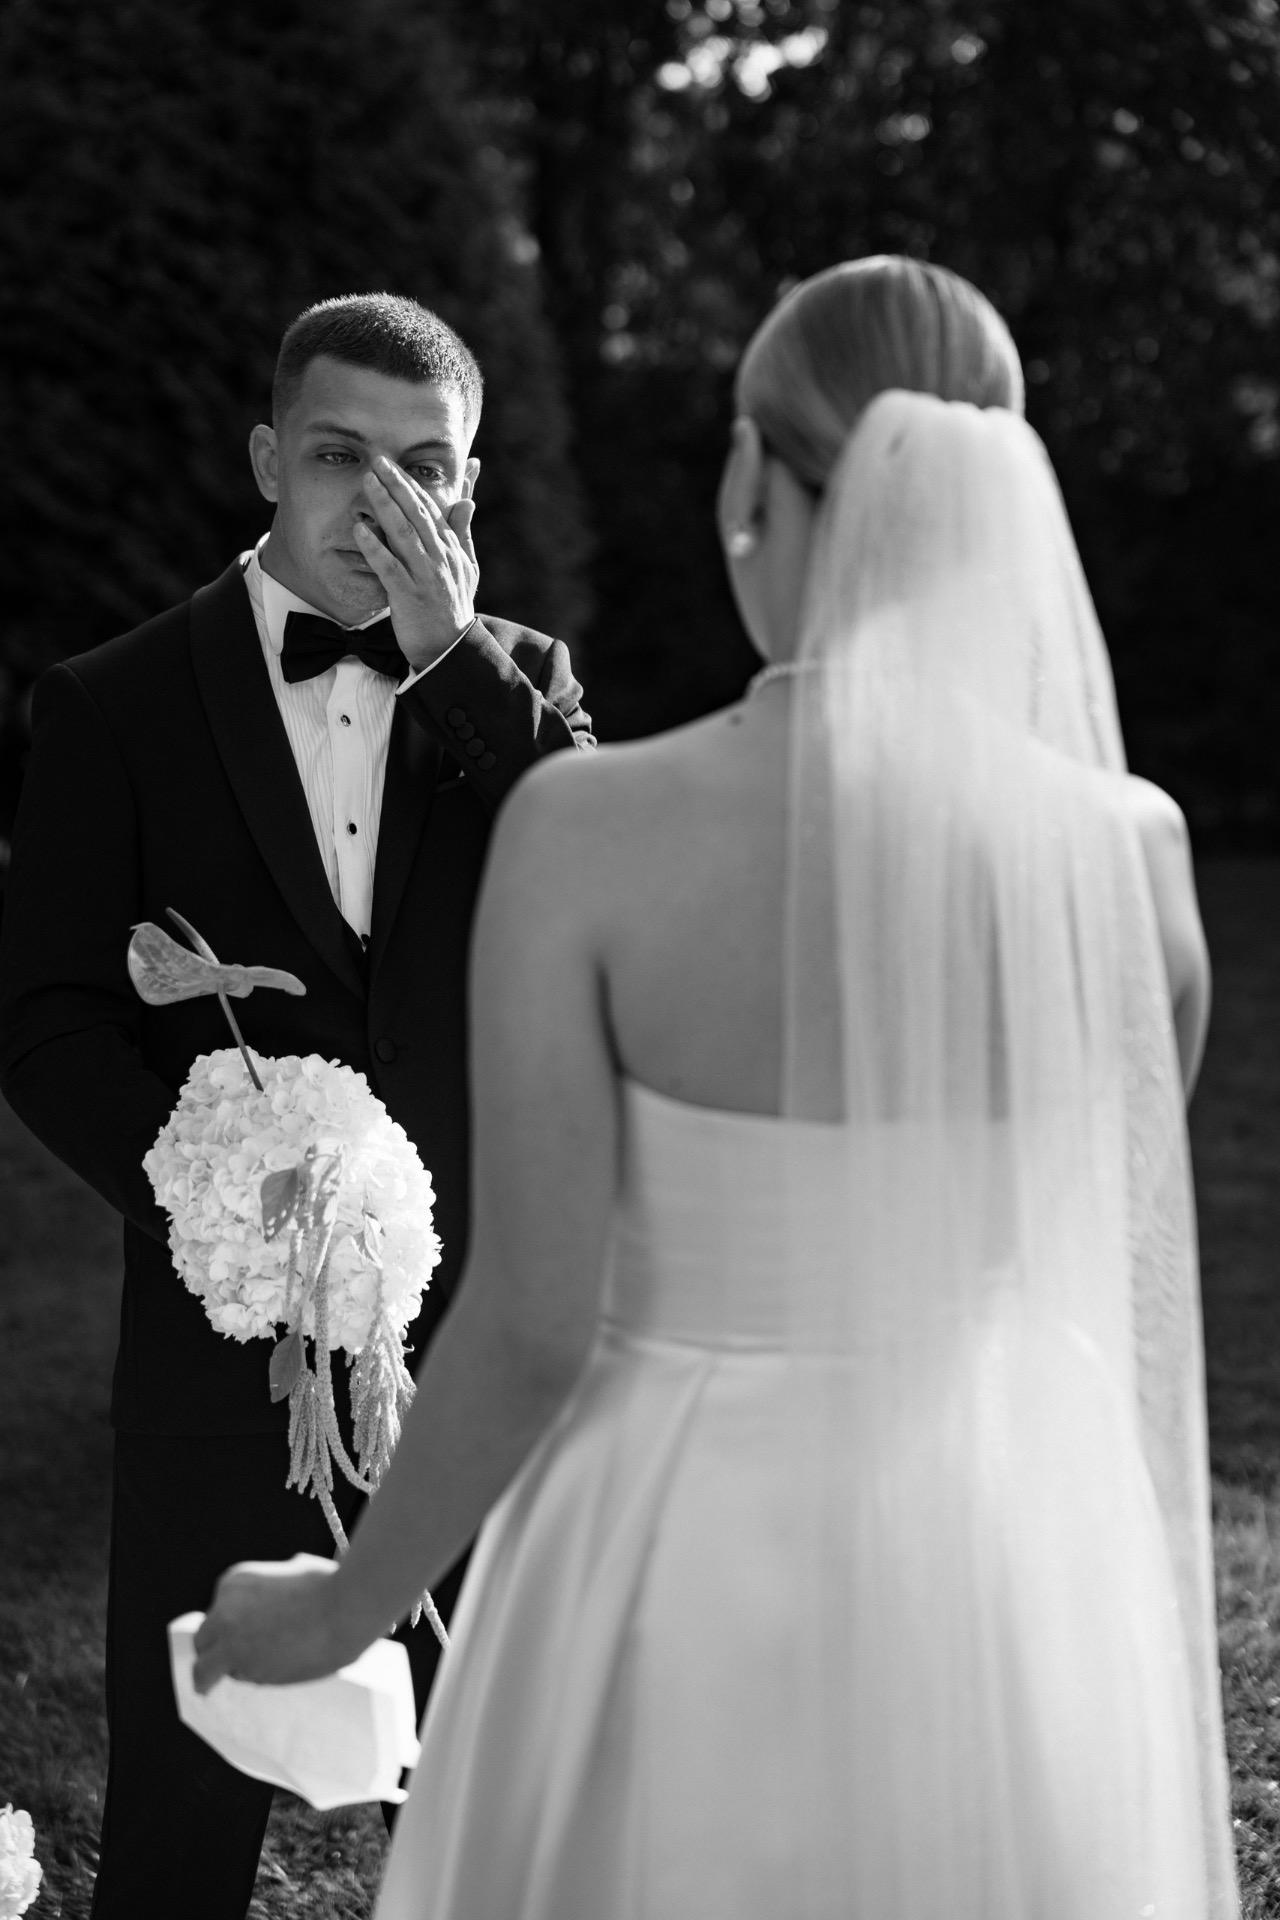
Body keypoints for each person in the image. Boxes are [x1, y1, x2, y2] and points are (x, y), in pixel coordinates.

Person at [195, 258, 1239, 1918]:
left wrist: (333, 1612)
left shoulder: (596, 834)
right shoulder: (1131, 855)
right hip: (1004, 1560)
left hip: (677, 1546)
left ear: (752, 481)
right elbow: (1095, 1251)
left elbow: (534, 1326)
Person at [0, 291, 593, 1920]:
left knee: (492, 1813)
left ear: (469, 490)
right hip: (219, 1349)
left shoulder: (524, 688)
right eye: (339, 457)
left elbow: (594, 896)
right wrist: (219, 1204)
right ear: (268, 458)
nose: (384, 503)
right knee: (183, 1812)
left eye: (427, 469)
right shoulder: (115, 701)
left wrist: (455, 665)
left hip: (475, 1347)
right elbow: (45, 1019)